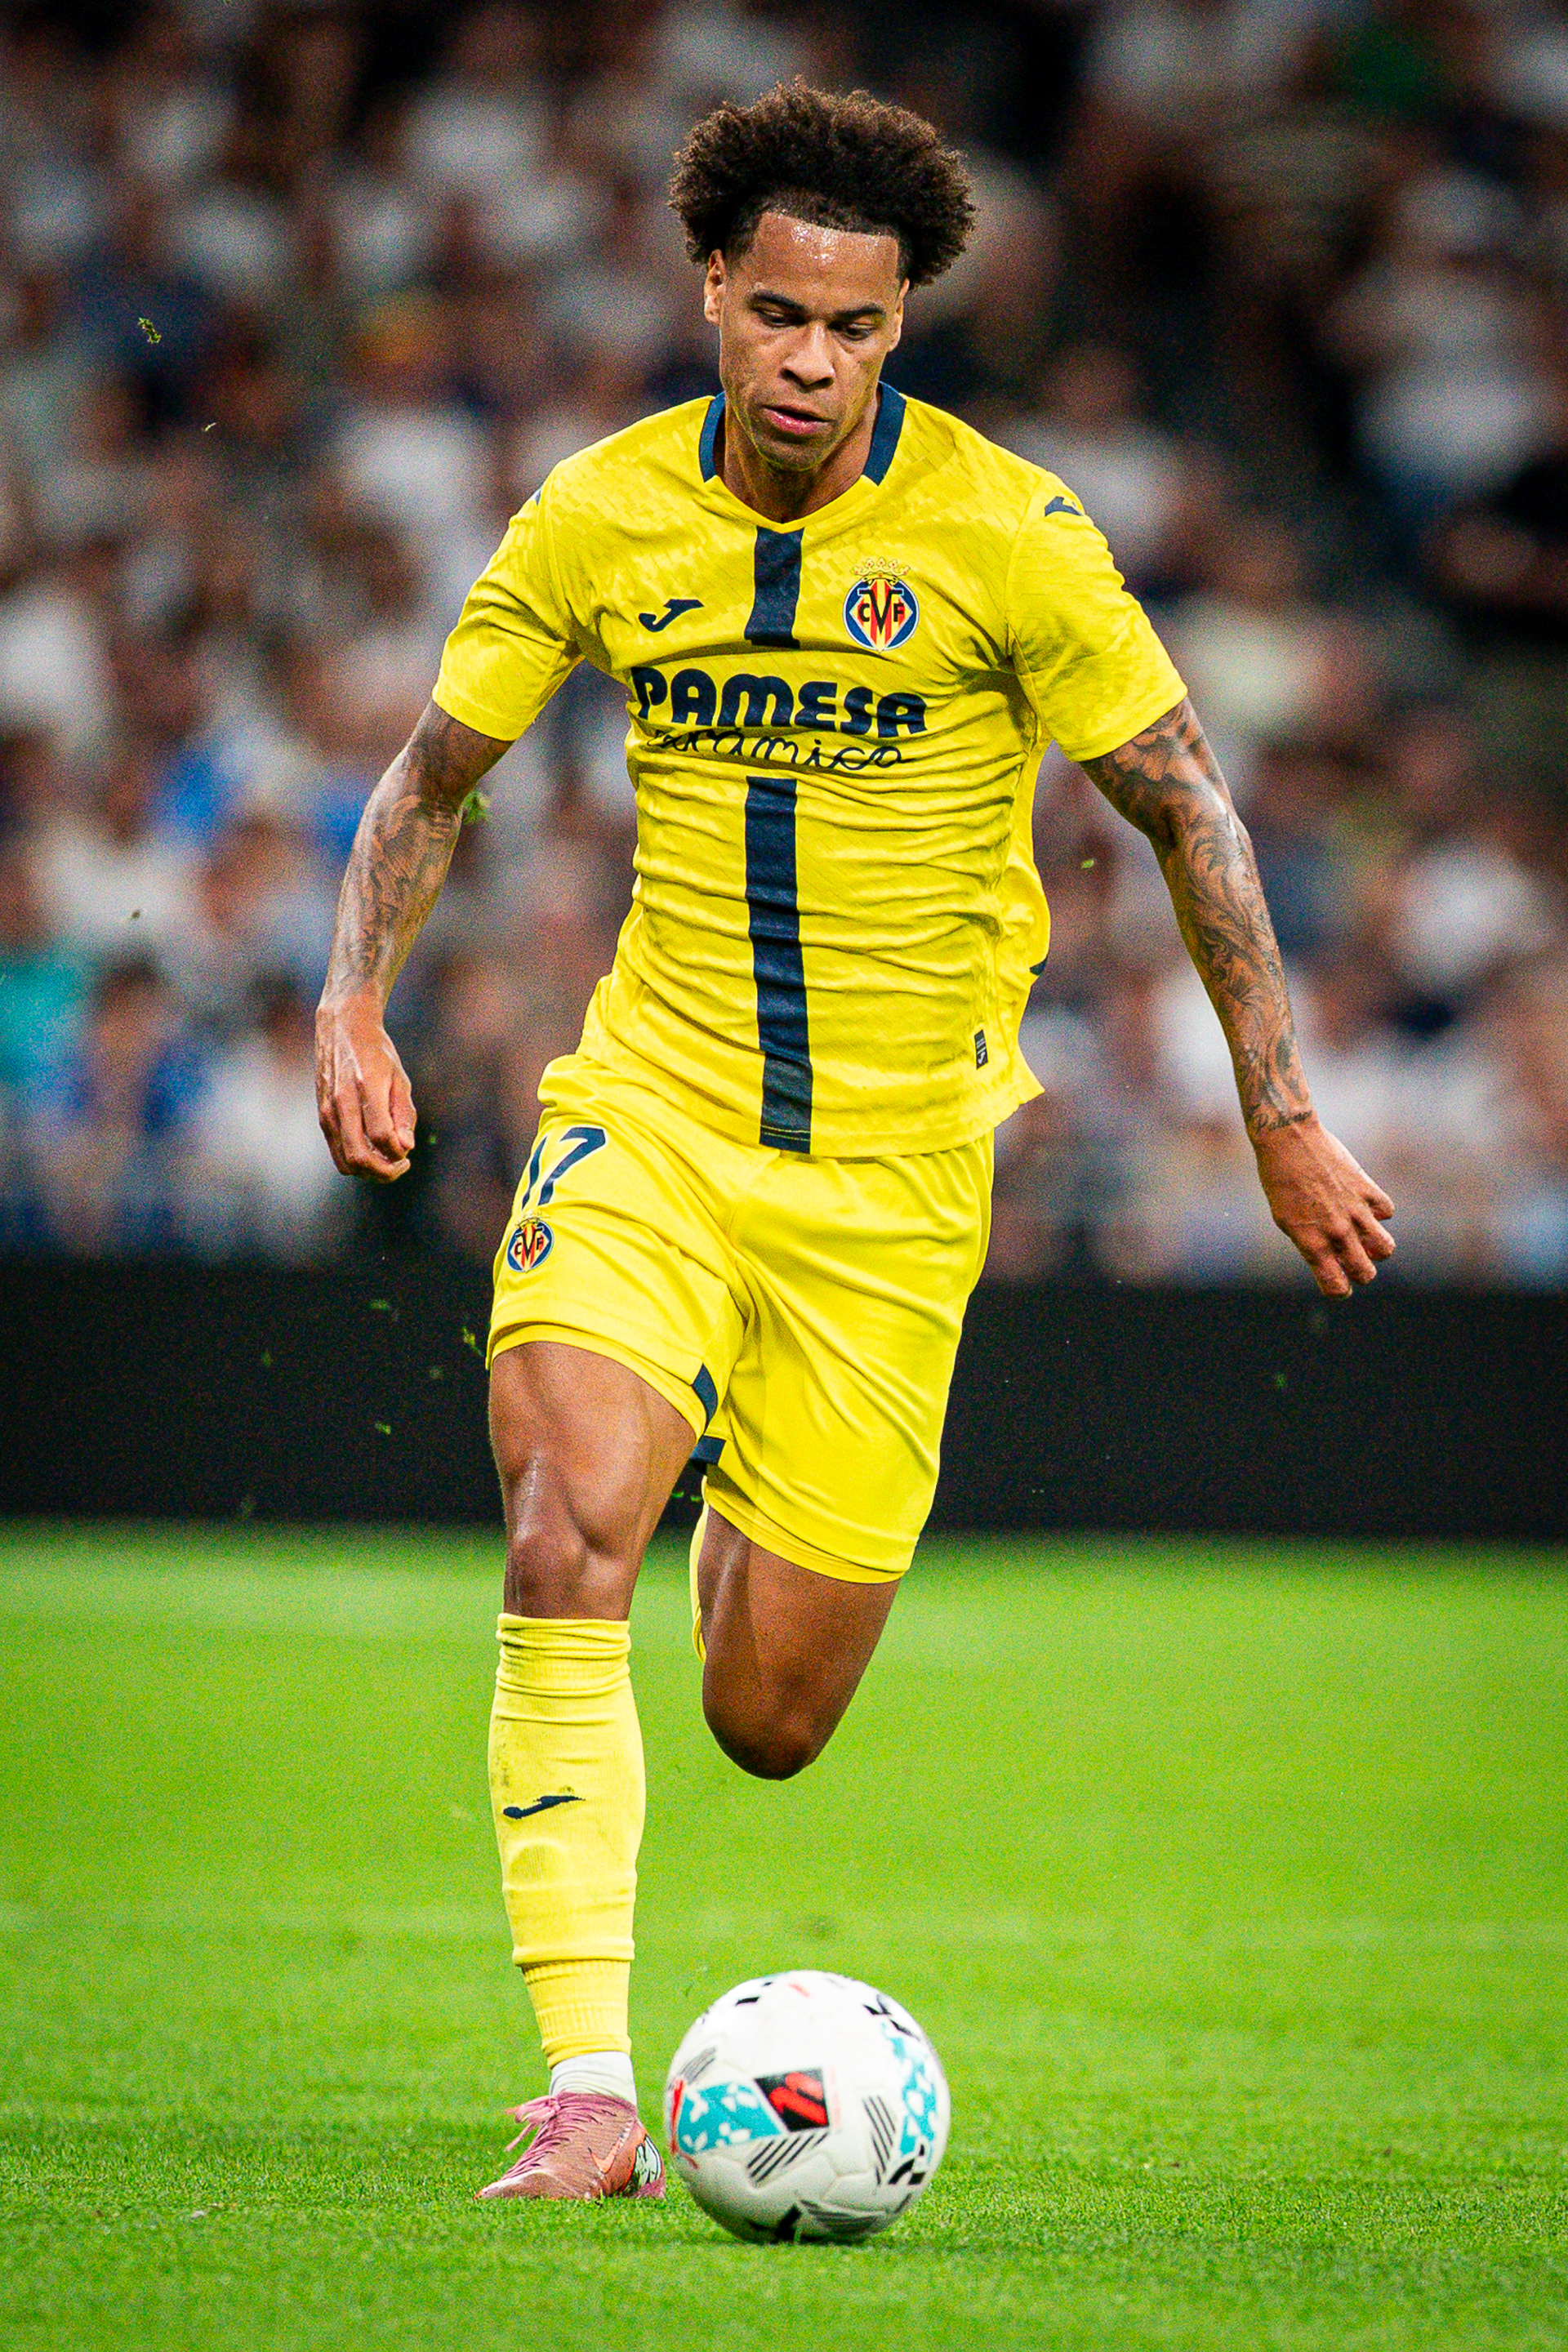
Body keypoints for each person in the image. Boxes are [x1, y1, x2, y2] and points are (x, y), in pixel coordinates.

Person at [314, 83, 1395, 2205]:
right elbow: (433, 778)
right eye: (780, 313)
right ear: (712, 289)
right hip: (653, 1113)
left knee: (769, 1722)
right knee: (561, 1529)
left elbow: (1188, 803)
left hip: (897, 1191)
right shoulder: (601, 516)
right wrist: (352, 997)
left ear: (901, 327)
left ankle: (734, 1468)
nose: (812, 361)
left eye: (859, 327)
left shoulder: (1010, 533)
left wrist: (1279, 1112)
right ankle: (586, 2094)